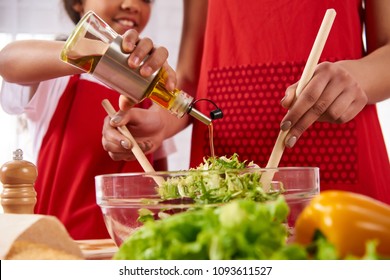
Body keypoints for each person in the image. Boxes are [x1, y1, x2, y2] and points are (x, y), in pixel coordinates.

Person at [103, 0, 390, 204]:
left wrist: (357, 77)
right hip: (222, 184)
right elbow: (191, 77)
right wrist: (159, 122)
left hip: (340, 169)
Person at [0, 0, 178, 240]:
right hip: (62, 248)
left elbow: (161, 179)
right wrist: (100, 53)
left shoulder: (149, 95)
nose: (132, 4)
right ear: (77, 3)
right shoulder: (55, 76)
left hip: (134, 251)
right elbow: (8, 59)